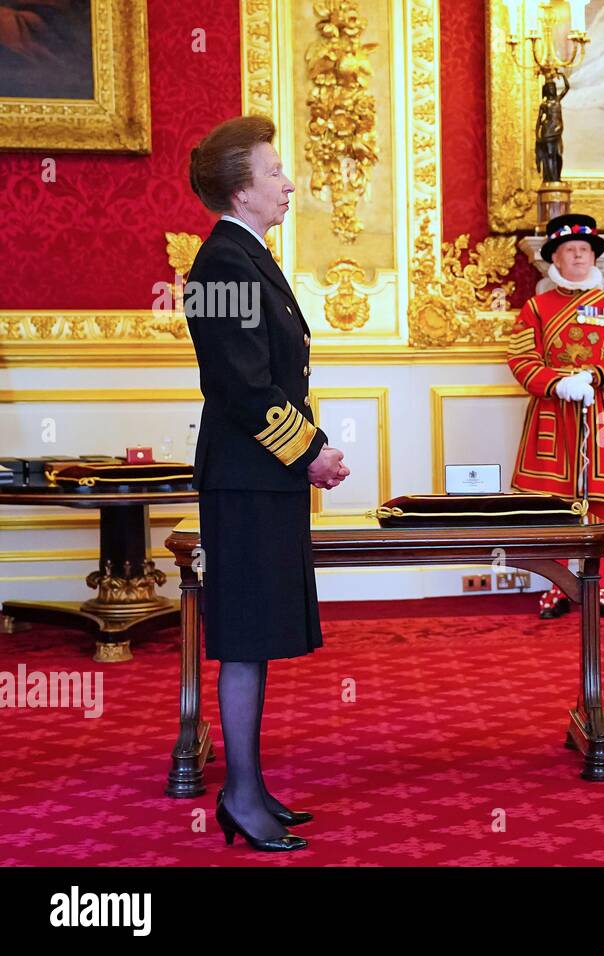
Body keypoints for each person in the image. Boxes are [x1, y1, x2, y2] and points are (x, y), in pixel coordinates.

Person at [187, 115, 349, 852]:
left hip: (262, 478)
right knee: (245, 638)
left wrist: (305, 453)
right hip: (247, 479)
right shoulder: (223, 264)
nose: (288, 184)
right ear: (240, 189)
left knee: (254, 636)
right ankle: (241, 796)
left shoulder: (246, 256)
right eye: (274, 172)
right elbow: (243, 387)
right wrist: (310, 452)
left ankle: (249, 788)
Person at [507, 213, 604, 620]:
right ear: (556, 259)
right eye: (571, 250)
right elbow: (520, 359)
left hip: (599, 415)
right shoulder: (536, 308)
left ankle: (596, 585)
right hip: (553, 414)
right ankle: (558, 585)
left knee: (599, 503)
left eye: (585, 250)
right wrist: (557, 383)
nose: (579, 256)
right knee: (553, 507)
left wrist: (595, 375)